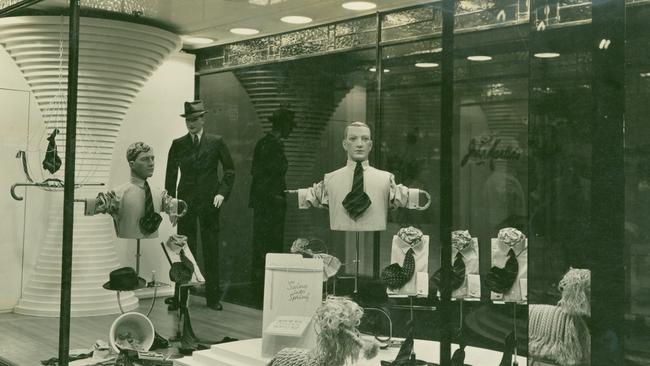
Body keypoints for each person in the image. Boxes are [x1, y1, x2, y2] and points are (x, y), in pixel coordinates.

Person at [288, 121, 429, 232]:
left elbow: (402, 198)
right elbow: (311, 197)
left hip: (374, 226)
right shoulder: (330, 180)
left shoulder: (386, 179)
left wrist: (413, 197)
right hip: (340, 227)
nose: (359, 144)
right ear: (345, 144)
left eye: (365, 139)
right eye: (353, 139)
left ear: (371, 145)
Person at [165, 100, 235, 311]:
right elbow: (170, 176)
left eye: (194, 119)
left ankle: (212, 298)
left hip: (209, 203)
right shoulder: (178, 144)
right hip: (185, 203)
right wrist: (171, 205)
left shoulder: (216, 142)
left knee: (211, 248)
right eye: (188, 120)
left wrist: (222, 193)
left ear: (203, 119)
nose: (191, 124)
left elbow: (230, 171)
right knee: (183, 249)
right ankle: (180, 297)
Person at [83, 141, 183, 239]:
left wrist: (174, 209)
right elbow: (97, 206)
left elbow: (172, 205)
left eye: (152, 158)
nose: (151, 163)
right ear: (132, 164)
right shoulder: (118, 194)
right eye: (145, 159)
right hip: (128, 233)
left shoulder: (159, 194)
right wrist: (90, 204)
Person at [249, 107, 295, 296]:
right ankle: (266, 290)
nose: (290, 131)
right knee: (269, 245)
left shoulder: (267, 143)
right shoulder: (271, 145)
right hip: (269, 205)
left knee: (266, 245)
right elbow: (262, 175)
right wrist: (274, 197)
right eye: (289, 126)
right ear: (283, 126)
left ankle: (264, 288)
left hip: (267, 203)